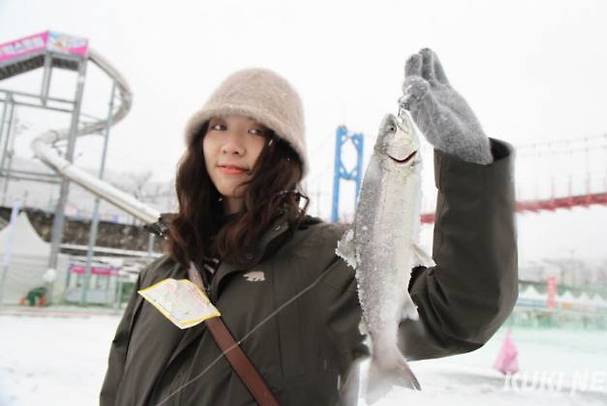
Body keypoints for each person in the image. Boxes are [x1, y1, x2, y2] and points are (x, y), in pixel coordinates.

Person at [100, 48, 518, 406]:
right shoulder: (160, 273)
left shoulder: (327, 260)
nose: (232, 143)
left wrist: (469, 167)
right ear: (200, 143)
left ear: (283, 152)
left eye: (256, 130)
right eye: (218, 126)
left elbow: (460, 310)